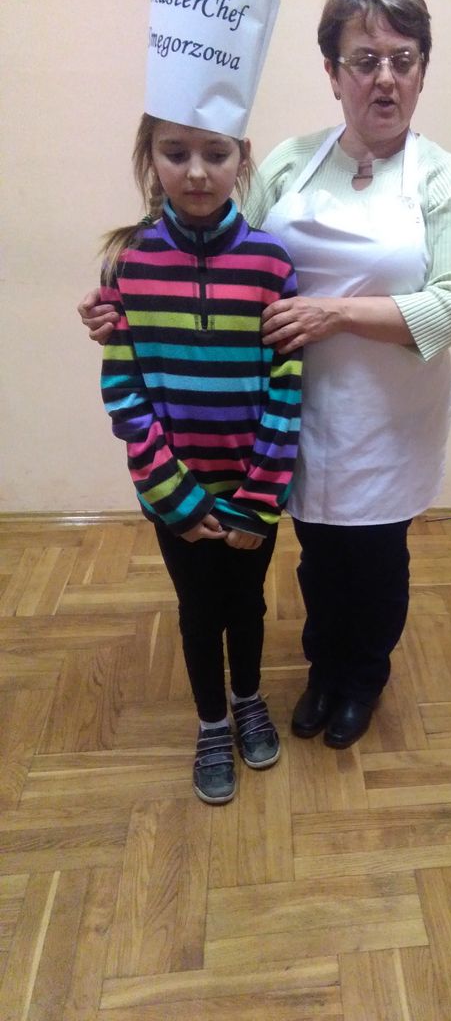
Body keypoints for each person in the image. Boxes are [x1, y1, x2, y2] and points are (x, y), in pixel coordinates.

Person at [79, 0, 451, 751]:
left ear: (423, 71)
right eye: (364, 61)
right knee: (320, 560)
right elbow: (212, 237)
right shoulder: (294, 162)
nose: (385, 78)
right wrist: (118, 299)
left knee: (377, 563)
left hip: (389, 418)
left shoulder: (443, 178)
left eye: (402, 60)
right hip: (283, 417)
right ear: (333, 72)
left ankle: (362, 679)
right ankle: (323, 670)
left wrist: (334, 314)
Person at [98, 113, 301, 803]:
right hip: (174, 495)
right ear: (149, 156)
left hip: (251, 492)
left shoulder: (272, 264)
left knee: (246, 605)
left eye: (215, 154)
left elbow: (287, 388)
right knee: (197, 608)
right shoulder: (129, 264)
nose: (195, 172)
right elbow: (124, 392)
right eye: (175, 152)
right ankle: (212, 720)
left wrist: (259, 499)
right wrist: (174, 498)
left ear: (241, 158)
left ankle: (248, 698)